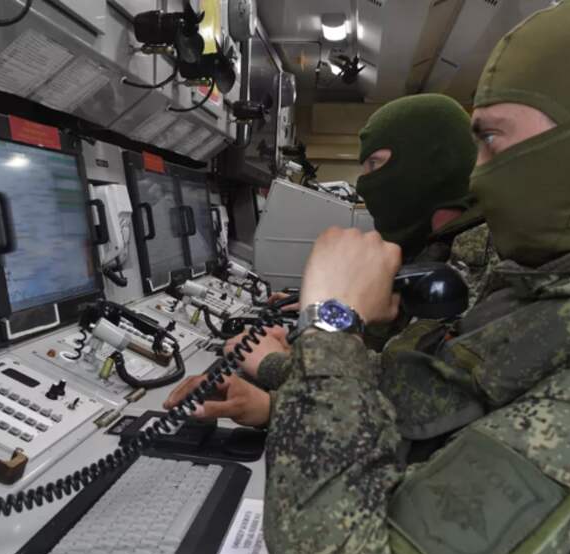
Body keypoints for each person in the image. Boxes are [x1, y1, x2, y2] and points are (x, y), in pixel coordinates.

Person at [255, 0, 570, 554]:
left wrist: (330, 324)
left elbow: (333, 549)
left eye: (492, 139)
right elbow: (442, 403)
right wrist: (289, 385)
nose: (478, 176)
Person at [164, 95, 492, 422]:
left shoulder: (477, 260)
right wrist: (276, 399)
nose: (365, 183)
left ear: (429, 164)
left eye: (375, 165)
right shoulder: (430, 248)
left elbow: (413, 394)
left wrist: (276, 364)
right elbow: (392, 348)